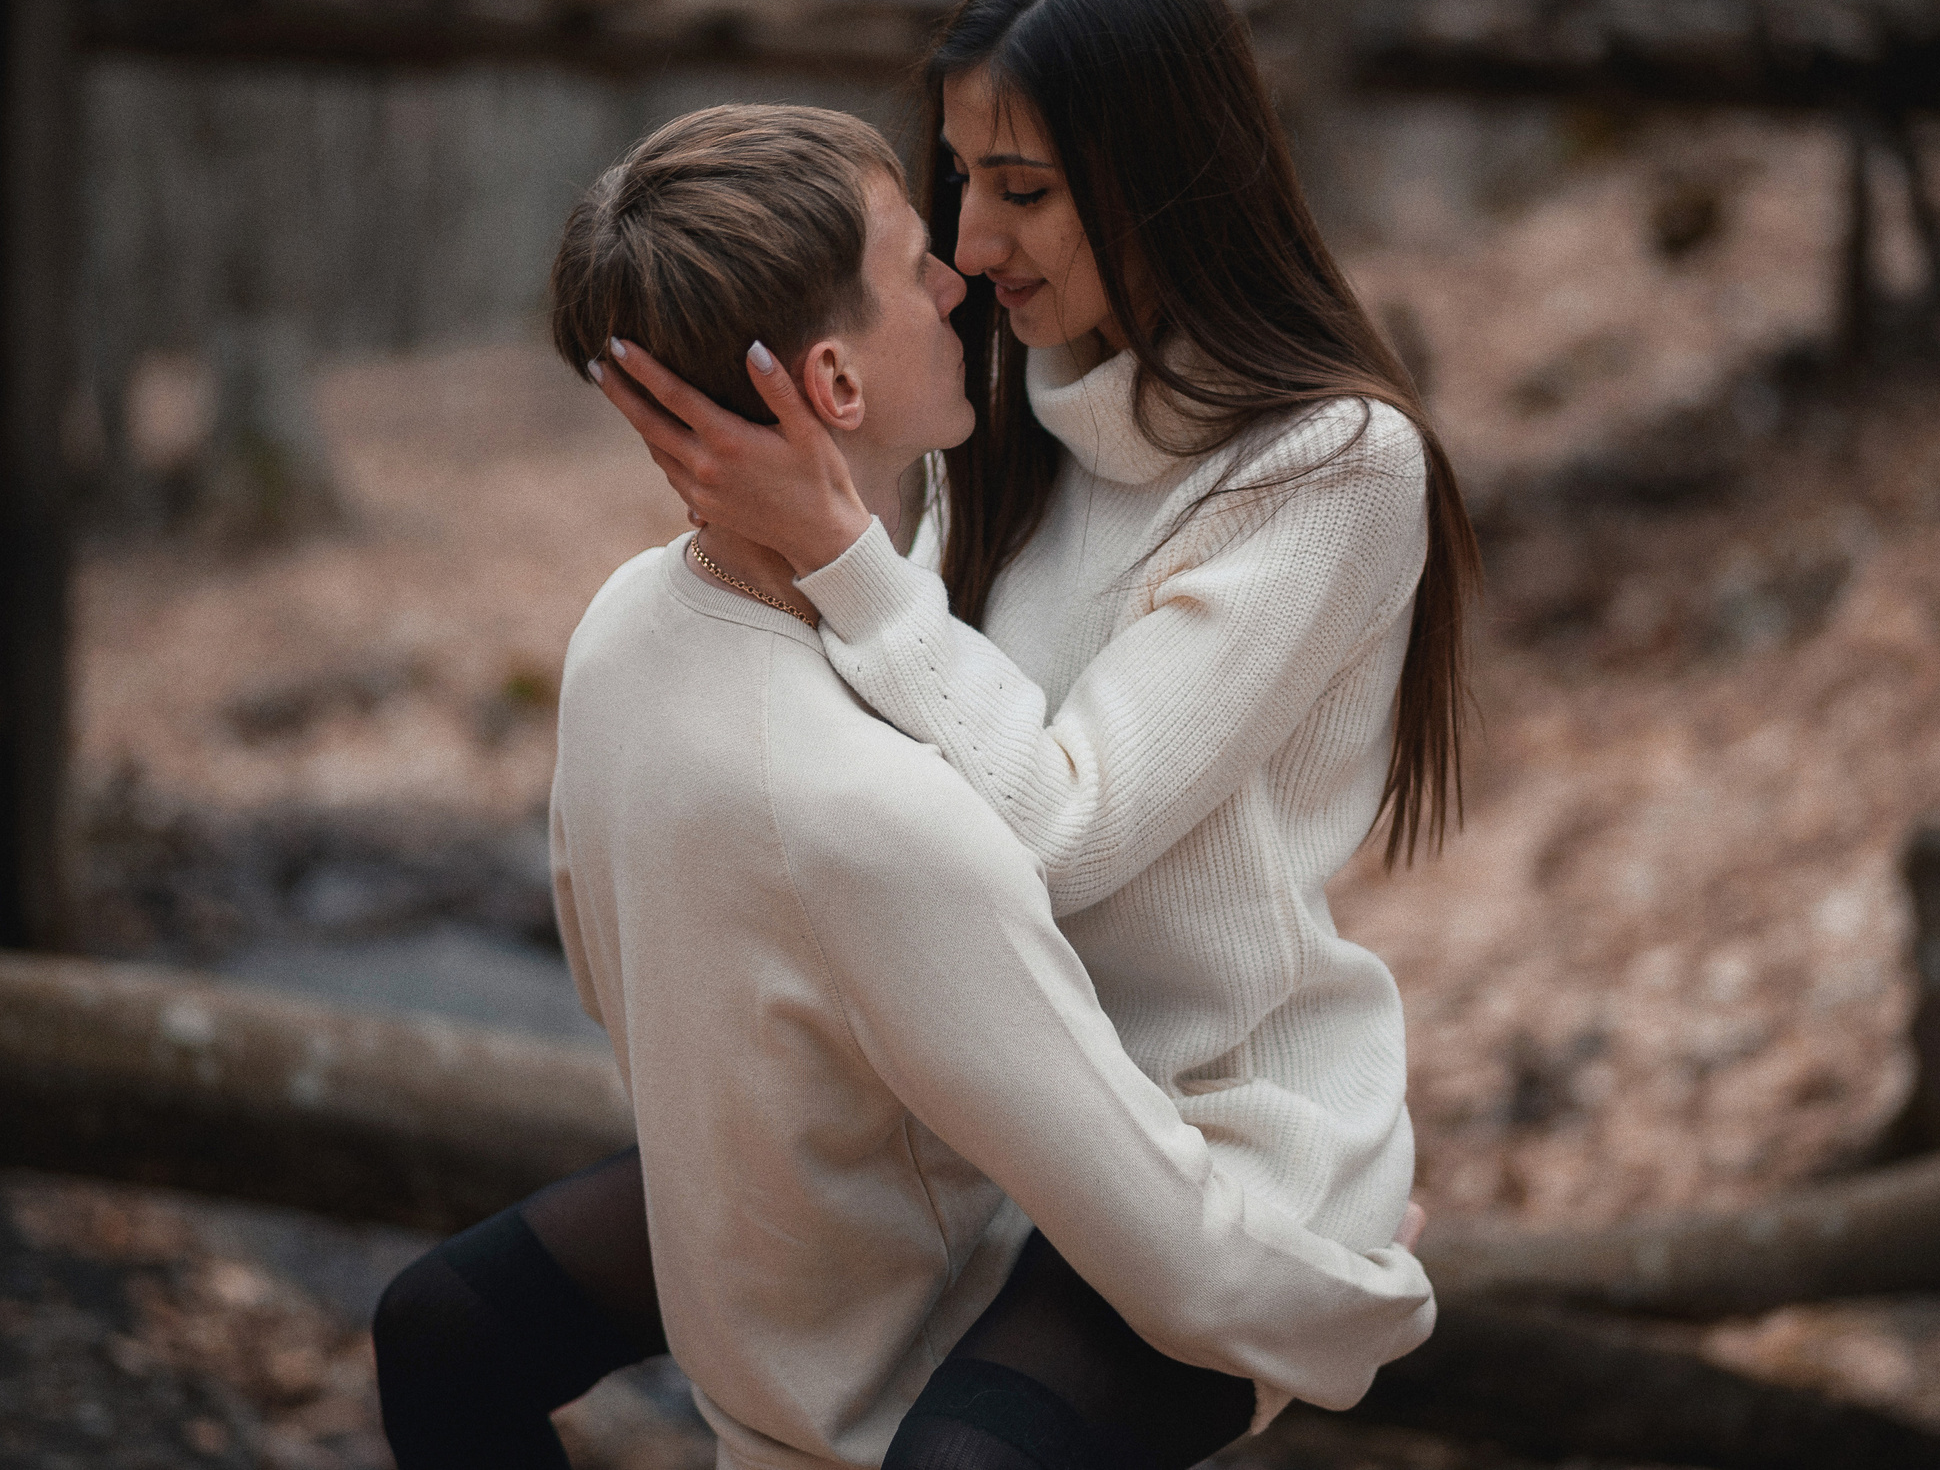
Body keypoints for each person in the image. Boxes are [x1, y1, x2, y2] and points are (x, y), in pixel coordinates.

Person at [372, 104, 1435, 1470]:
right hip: (949, 1236)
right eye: (916, 260)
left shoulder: (619, 628)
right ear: (833, 382)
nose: (960, 277)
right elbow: (1168, 1243)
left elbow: (608, 979)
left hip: (903, 1175)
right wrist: (1366, 1300)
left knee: (439, 1321)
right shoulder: (885, 815)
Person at [596, 0, 1478, 1261]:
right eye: (960, 179)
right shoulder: (1016, 391)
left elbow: (1064, 828)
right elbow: (898, 750)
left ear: (1170, 180)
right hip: (988, 1103)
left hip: (1212, 1135)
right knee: (456, 1319)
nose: (970, 244)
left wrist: (840, 545)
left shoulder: (1332, 465)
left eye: (1023, 189)